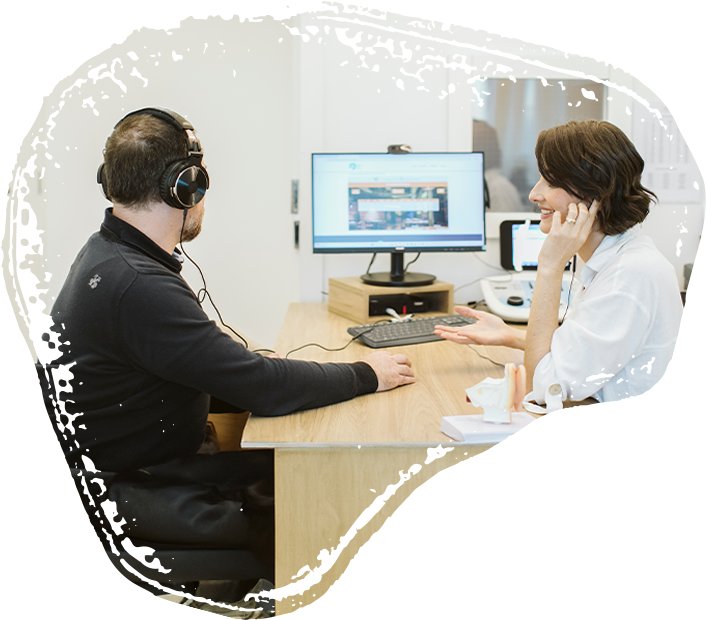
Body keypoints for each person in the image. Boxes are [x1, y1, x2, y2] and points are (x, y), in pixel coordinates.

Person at [41, 107, 415, 603]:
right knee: (320, 509)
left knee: (301, 472)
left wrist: (254, 364)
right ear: (185, 187)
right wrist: (368, 373)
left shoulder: (109, 253)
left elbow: (194, 353)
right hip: (131, 486)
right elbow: (264, 388)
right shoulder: (138, 284)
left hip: (135, 461)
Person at [436, 120, 684, 404]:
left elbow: (541, 388)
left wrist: (550, 265)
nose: (533, 194)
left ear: (594, 194)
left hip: (617, 430)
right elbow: (583, 347)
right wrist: (512, 336)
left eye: (551, 182)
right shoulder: (619, 259)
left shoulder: (628, 276)